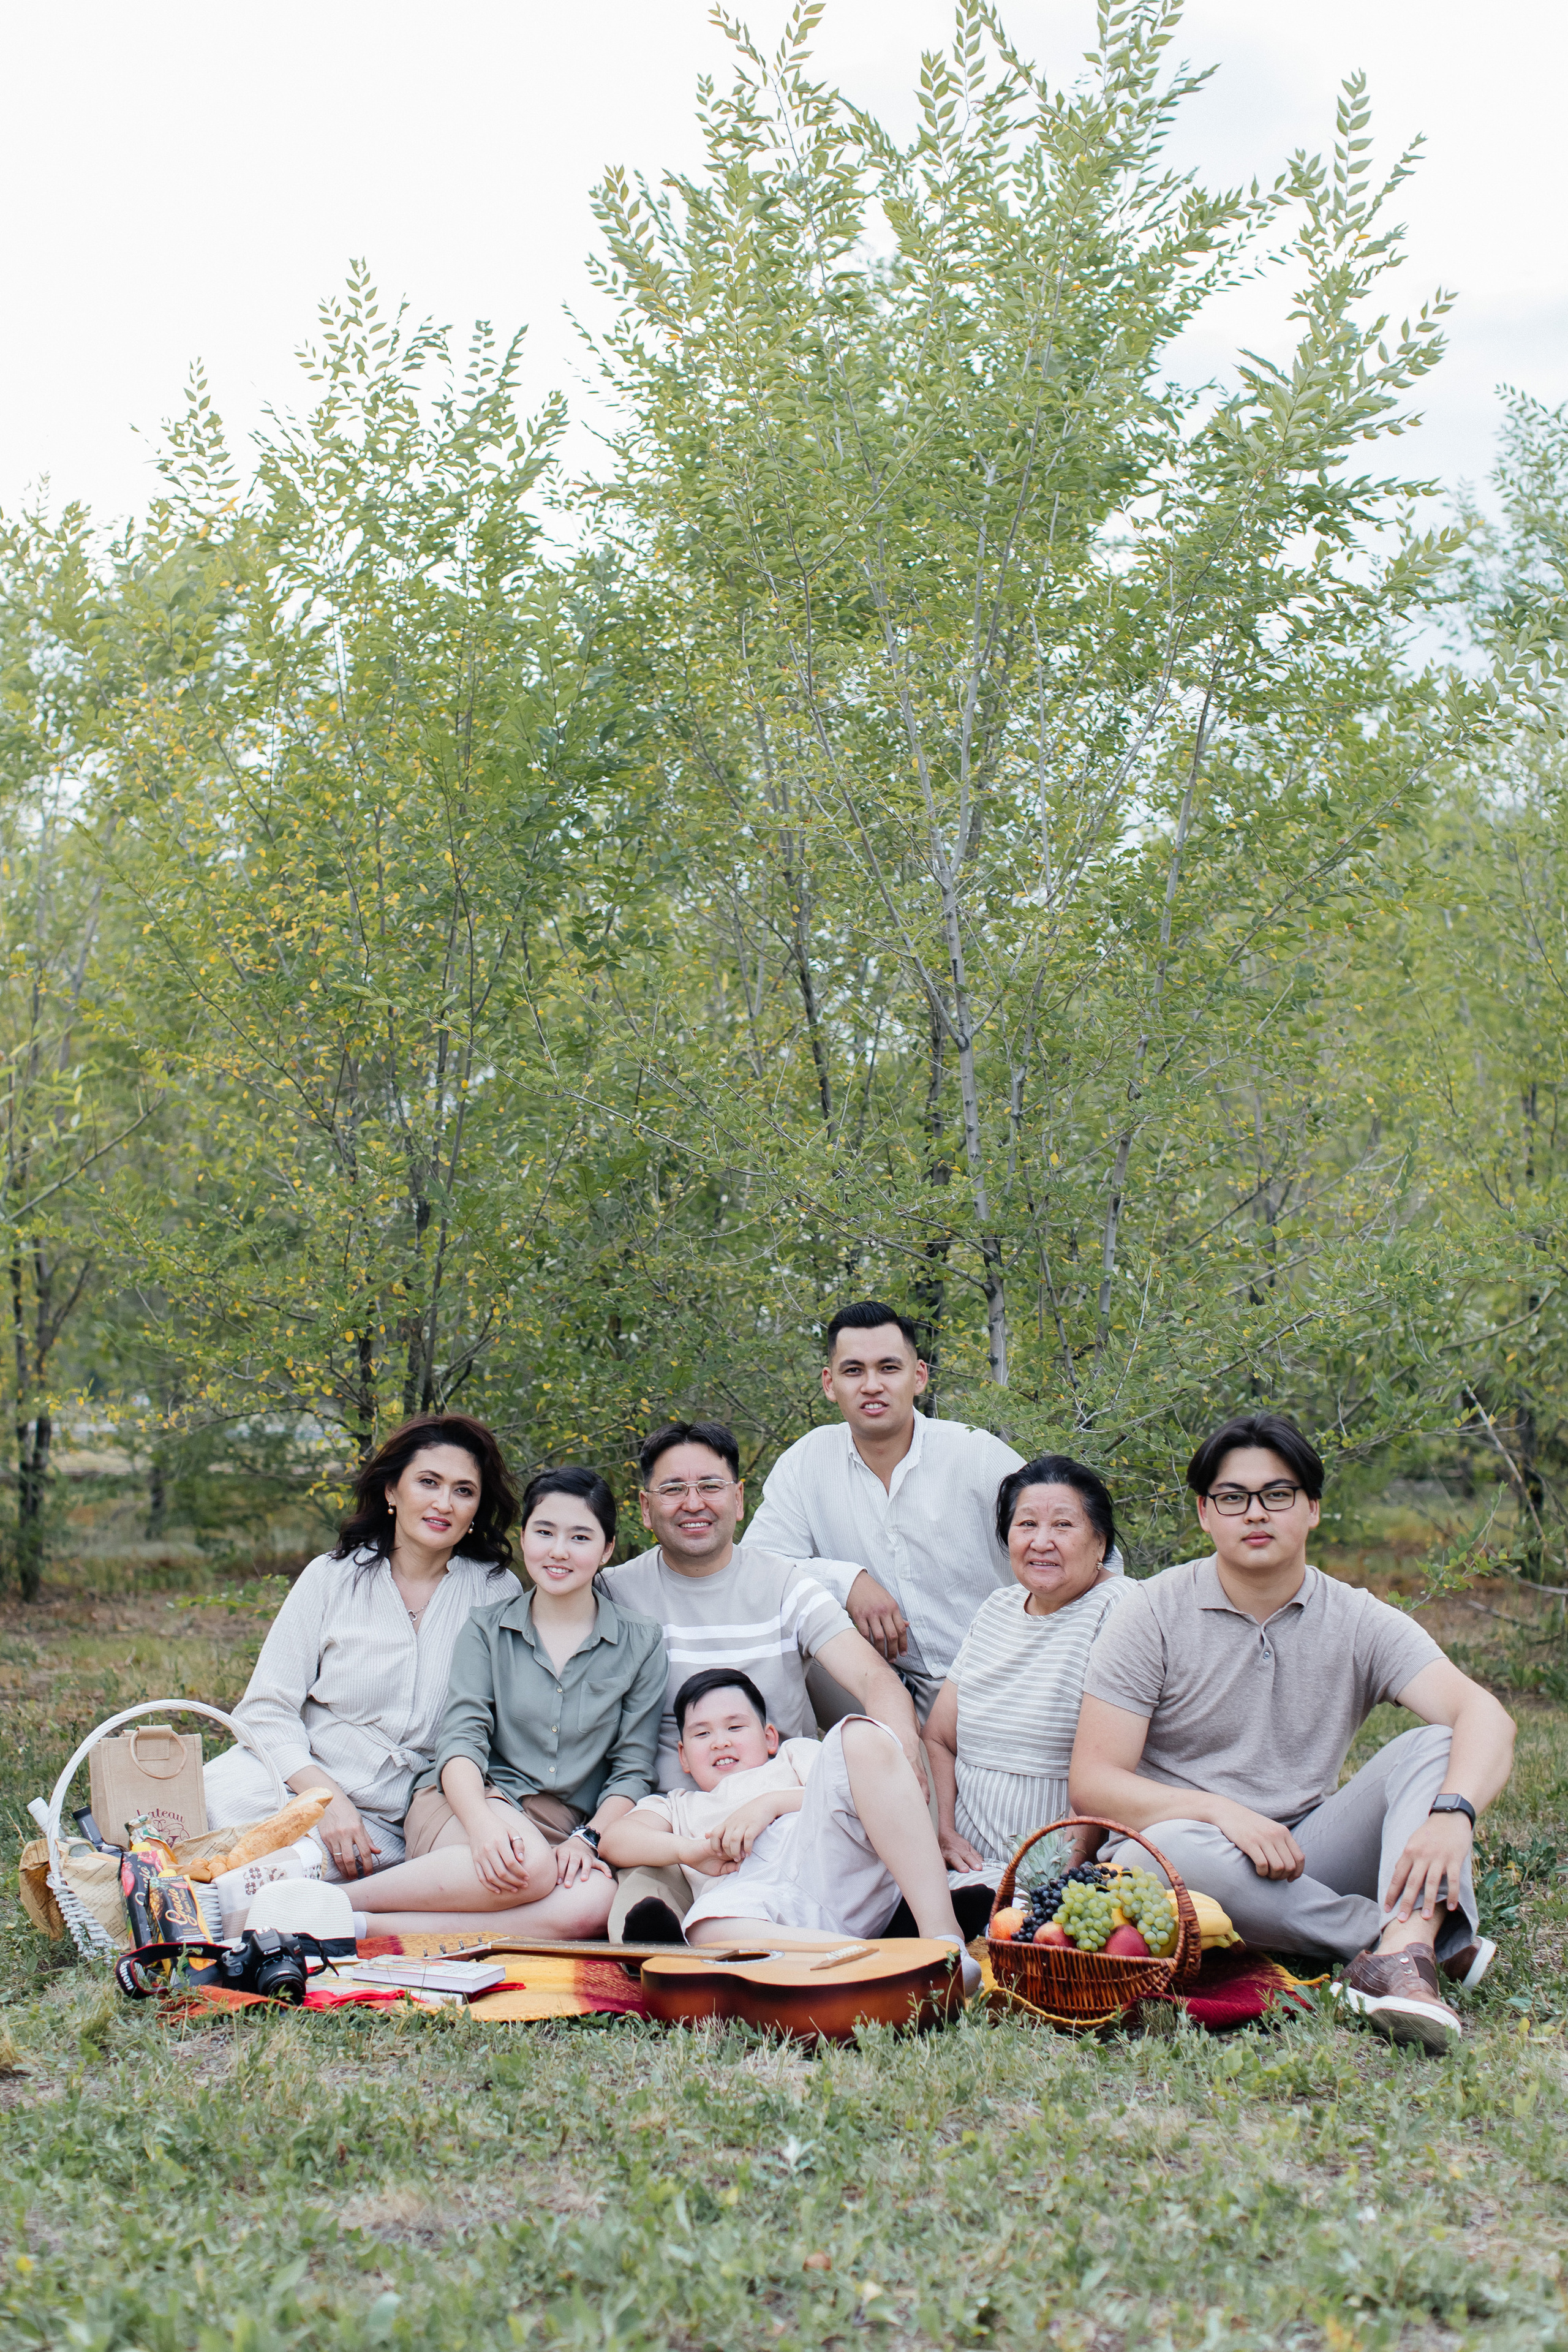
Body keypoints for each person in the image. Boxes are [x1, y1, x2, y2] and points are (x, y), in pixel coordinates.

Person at [1069, 1412, 1517, 2054]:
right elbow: (1093, 1782)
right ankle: (1403, 1945)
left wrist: (1453, 1815)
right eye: (1232, 1497)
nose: (1255, 1513)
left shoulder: (1357, 1616)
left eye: (1277, 1495)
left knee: (1439, 1746)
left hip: (1306, 1853)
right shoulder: (1149, 1612)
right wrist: (1220, 1813)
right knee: (1155, 1856)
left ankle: (1400, 1948)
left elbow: (1486, 1718)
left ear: (1311, 1509)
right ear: (1204, 1513)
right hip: (1188, 1849)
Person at [598, 1418, 929, 1940]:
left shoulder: (784, 1584)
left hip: (793, 1811)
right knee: (641, 1912)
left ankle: (911, 1922)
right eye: (673, 1490)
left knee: (861, 1834)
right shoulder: (614, 1594)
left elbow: (874, 1680)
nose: (693, 1503)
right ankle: (677, 1948)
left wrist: (902, 1758)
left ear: (739, 1498)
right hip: (683, 1831)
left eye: (709, 1486)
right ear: (644, 1507)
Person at [747, 1300, 1122, 1715]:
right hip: (883, 1683)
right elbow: (758, 1569)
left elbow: (1094, 1552)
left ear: (918, 1376)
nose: (872, 1385)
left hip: (999, 1674)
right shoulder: (807, 1462)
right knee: (789, 1634)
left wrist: (1069, 1650)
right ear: (829, 1383)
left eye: (889, 1368)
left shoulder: (974, 1454)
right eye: (854, 1371)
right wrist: (848, 1581)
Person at [204, 1413, 522, 1880]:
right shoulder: (331, 1577)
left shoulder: (498, 1593)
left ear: (478, 1507)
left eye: (463, 1490)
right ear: (392, 1490)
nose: (444, 1503)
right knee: (204, 1821)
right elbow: (265, 1710)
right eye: (428, 1482)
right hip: (294, 1781)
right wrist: (324, 1802)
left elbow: (506, 1726)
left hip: (405, 1814)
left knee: (282, 1875)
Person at [352, 1466, 666, 1939]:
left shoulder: (640, 1641)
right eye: (545, 1532)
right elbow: (461, 1741)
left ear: (606, 1550)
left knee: (594, 1903)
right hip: (467, 1801)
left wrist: (590, 1839)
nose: (558, 1551)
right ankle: (334, 1900)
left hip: (562, 1828)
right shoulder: (486, 1628)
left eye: (580, 1537)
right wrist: (481, 1825)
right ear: (524, 1539)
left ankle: (364, 1926)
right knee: (527, 1863)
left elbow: (633, 1768)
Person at [598, 1669, 978, 1985]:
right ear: (682, 1755)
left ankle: (944, 1942)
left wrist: (770, 1803)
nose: (720, 1742)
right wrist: (690, 1851)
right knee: (704, 1929)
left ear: (769, 1738)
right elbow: (615, 1841)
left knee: (858, 1734)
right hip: (761, 1905)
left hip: (829, 1867)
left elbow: (853, 1790)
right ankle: (878, 1960)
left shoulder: (793, 1758)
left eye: (735, 1727)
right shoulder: (678, 1805)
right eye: (702, 1734)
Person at [925, 1455, 1129, 1891]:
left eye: (1063, 1525)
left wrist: (1057, 1878)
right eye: (1026, 1525)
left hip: (1060, 1874)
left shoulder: (1122, 1609)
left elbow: (1112, 1770)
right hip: (967, 1867)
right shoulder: (997, 1609)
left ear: (1100, 1543)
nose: (1041, 1541)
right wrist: (943, 1833)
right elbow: (940, 1738)